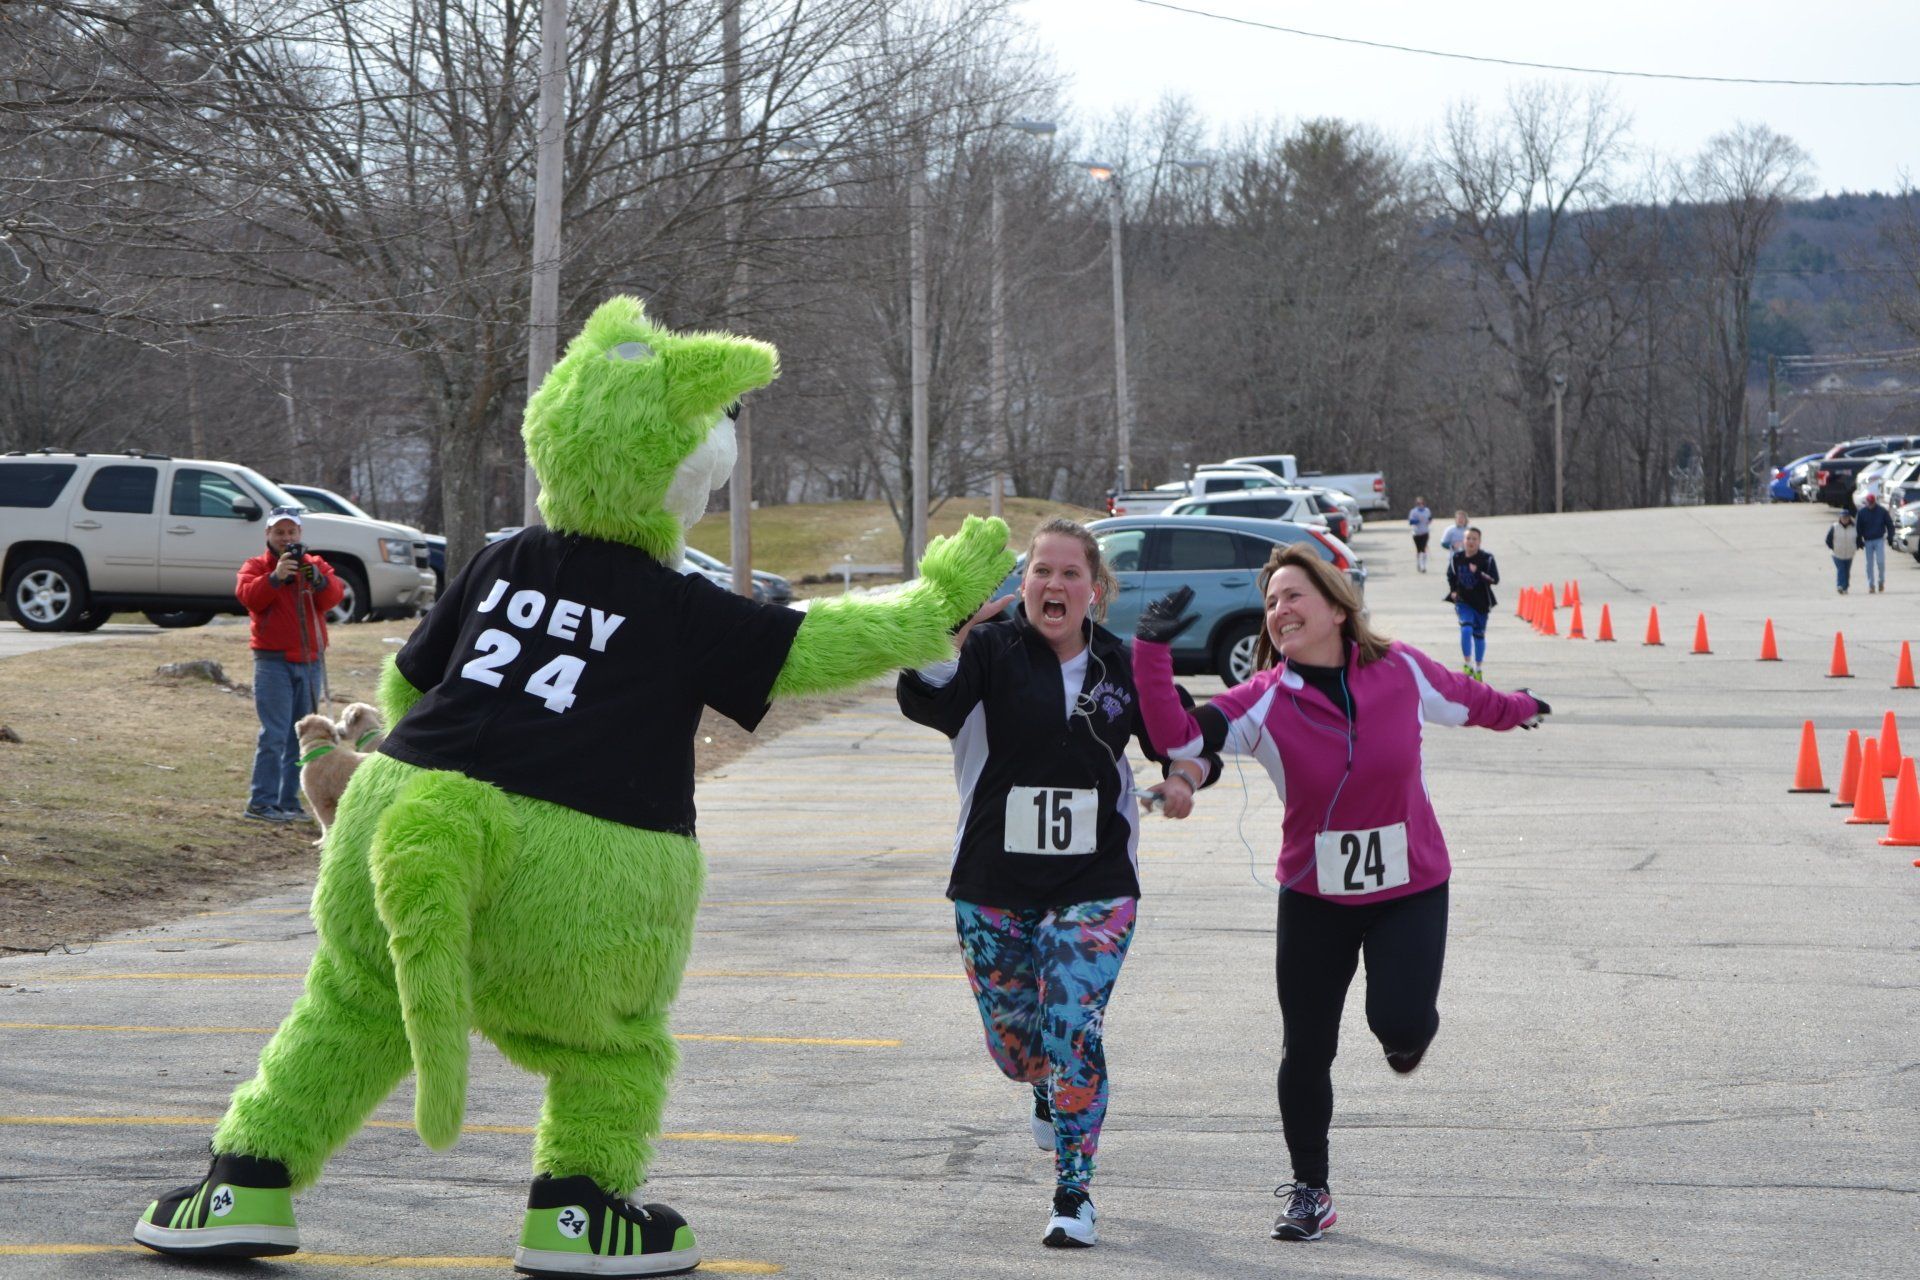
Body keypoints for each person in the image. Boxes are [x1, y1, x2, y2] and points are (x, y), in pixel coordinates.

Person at [1127, 546, 1548, 1245]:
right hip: (1314, 895)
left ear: (1336, 607)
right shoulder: (1262, 698)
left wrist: (1524, 706)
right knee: (1307, 1047)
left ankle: (1406, 1039)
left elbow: (1472, 702)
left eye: (1293, 595)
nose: (1279, 610)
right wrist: (1151, 649)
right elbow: (1177, 737)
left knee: (1400, 1027)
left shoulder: (1401, 670)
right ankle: (1310, 1189)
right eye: (1270, 602)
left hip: (1410, 886)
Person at [896, 517, 1216, 1250]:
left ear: (1095, 590)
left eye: (1072, 573)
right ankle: (1040, 1082)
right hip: (992, 882)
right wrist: (949, 631)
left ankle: (1074, 1190)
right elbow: (929, 699)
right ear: (1023, 584)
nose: (1055, 584)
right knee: (1019, 1052)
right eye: (1042, 570)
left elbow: (1182, 739)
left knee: (1074, 1028)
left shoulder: (1119, 664)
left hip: (1095, 883)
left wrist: (1182, 778)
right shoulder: (988, 649)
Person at [235, 508, 343, 822]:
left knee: (303, 735)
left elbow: (333, 598)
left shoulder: (315, 564)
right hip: (273, 663)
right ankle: (261, 802)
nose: (286, 538)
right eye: (279, 532)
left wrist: (318, 580)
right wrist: (275, 577)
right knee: (274, 733)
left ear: (299, 534)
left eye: (291, 532)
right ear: (268, 534)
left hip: (309, 661)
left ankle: (289, 802)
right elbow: (249, 598)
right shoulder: (256, 566)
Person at [1444, 527, 1500, 681]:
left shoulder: (1486, 558)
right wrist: (1453, 590)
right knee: (1466, 629)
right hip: (1463, 601)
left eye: (1474, 539)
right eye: (1468, 538)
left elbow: (1495, 579)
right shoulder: (1457, 558)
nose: (1471, 541)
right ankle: (1467, 664)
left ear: (1479, 541)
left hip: (1481, 603)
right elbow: (1451, 575)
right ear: (1463, 540)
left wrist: (1478, 573)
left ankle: (1478, 668)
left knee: (1479, 636)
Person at [1855, 492, 1890, 592]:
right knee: (1869, 564)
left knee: (1880, 562)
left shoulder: (1882, 511)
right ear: (1866, 502)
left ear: (1875, 502)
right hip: (1868, 540)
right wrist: (1858, 540)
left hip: (1879, 539)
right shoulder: (1862, 513)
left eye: (1872, 503)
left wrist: (1890, 536)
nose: (1870, 505)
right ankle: (1871, 585)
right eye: (1869, 503)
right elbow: (1858, 528)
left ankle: (1881, 581)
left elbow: (1889, 524)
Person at [1826, 508, 1859, 595]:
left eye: (1846, 517)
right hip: (1837, 554)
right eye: (1843, 517)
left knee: (1846, 571)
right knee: (1841, 569)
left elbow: (1858, 539)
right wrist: (1833, 548)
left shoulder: (1854, 527)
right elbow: (1828, 540)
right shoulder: (1835, 527)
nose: (1845, 519)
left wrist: (1856, 547)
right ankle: (1840, 586)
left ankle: (1845, 587)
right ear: (1840, 518)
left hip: (1849, 554)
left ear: (1849, 518)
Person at [1407, 498, 1433, 573]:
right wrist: (1417, 520)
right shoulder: (1413, 511)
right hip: (1416, 533)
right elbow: (1410, 522)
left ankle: (1423, 565)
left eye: (1422, 503)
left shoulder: (1427, 510)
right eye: (1419, 504)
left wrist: (1429, 521)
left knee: (1423, 549)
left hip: (1425, 532)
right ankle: (1418, 563)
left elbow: (1430, 518)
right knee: (1418, 550)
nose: (1421, 505)